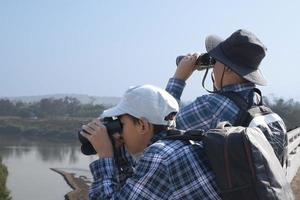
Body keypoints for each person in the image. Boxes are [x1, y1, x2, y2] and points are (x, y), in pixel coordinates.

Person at [166, 29, 287, 165]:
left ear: (228, 68)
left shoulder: (212, 106)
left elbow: (161, 130)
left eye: (215, 61)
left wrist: (178, 78)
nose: (212, 67)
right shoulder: (256, 101)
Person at [81, 84, 222, 199]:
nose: (120, 133)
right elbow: (128, 190)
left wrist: (105, 156)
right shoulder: (177, 144)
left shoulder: (160, 156)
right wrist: (117, 154)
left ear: (142, 125)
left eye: (122, 124)